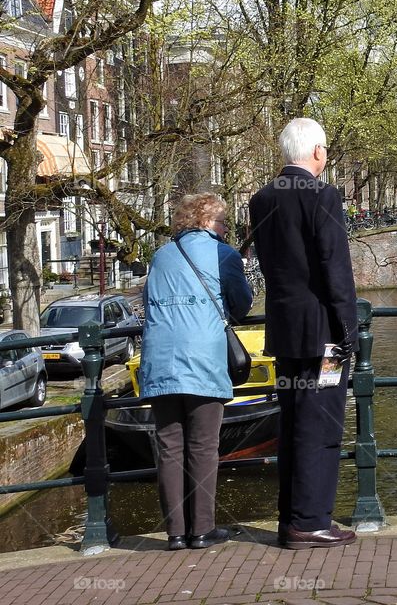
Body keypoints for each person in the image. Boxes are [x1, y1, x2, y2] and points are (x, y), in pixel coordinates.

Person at [249, 117, 359, 550]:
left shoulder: (261, 199)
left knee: (293, 422)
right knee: (322, 423)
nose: (326, 157)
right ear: (317, 152)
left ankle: (289, 518)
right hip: (324, 337)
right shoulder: (323, 194)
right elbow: (336, 268)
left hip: (285, 331)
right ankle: (311, 522)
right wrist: (348, 327)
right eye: (326, 150)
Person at [139, 193, 253, 551]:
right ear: (207, 223)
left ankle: (175, 533)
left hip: (159, 360)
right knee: (203, 447)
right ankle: (202, 530)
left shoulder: (160, 255)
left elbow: (147, 302)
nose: (224, 231)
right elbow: (243, 303)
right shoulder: (223, 254)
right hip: (202, 358)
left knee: (169, 447)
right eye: (222, 224)